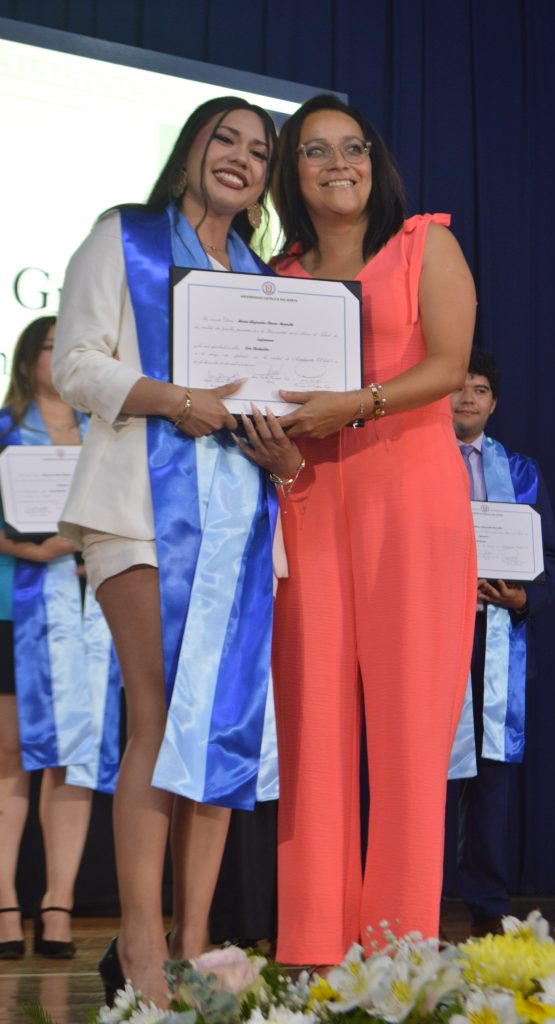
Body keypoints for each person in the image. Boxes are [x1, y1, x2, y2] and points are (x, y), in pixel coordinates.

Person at [52, 96, 302, 1004]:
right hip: (136, 510)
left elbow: (282, 405)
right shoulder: (123, 237)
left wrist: (282, 450)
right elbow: (76, 363)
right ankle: (140, 942)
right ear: (190, 148)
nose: (240, 157)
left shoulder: (266, 282)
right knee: (159, 721)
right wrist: (177, 399)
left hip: (241, 522)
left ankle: (197, 943)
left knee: (220, 726)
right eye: (223, 139)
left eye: (258, 150)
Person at [269, 93, 478, 965]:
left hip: (413, 500)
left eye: (351, 147)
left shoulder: (423, 244)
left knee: (408, 735)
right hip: (308, 500)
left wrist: (357, 403)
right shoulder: (275, 277)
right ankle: (312, 946)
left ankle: (399, 954)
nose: (337, 164)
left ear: (374, 161)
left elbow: (449, 366)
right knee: (311, 727)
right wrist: (271, 443)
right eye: (314, 151)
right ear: (292, 174)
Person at [0, 316, 114, 960]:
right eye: (51, 346)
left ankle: (59, 904)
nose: (62, 354)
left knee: (76, 754)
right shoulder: (3, 429)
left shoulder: (107, 431)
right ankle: (4, 904)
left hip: (92, 609)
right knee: (10, 756)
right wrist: (26, 548)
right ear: (27, 360)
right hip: (12, 609)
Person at [446, 346, 555, 934]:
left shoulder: (520, 472)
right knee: (421, 769)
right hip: (429, 635)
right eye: (459, 386)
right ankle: (409, 898)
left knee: (491, 779)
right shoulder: (415, 464)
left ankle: (487, 906)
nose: (468, 397)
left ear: (494, 404)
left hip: (493, 639)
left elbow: (550, 562)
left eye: (481, 389)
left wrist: (523, 599)